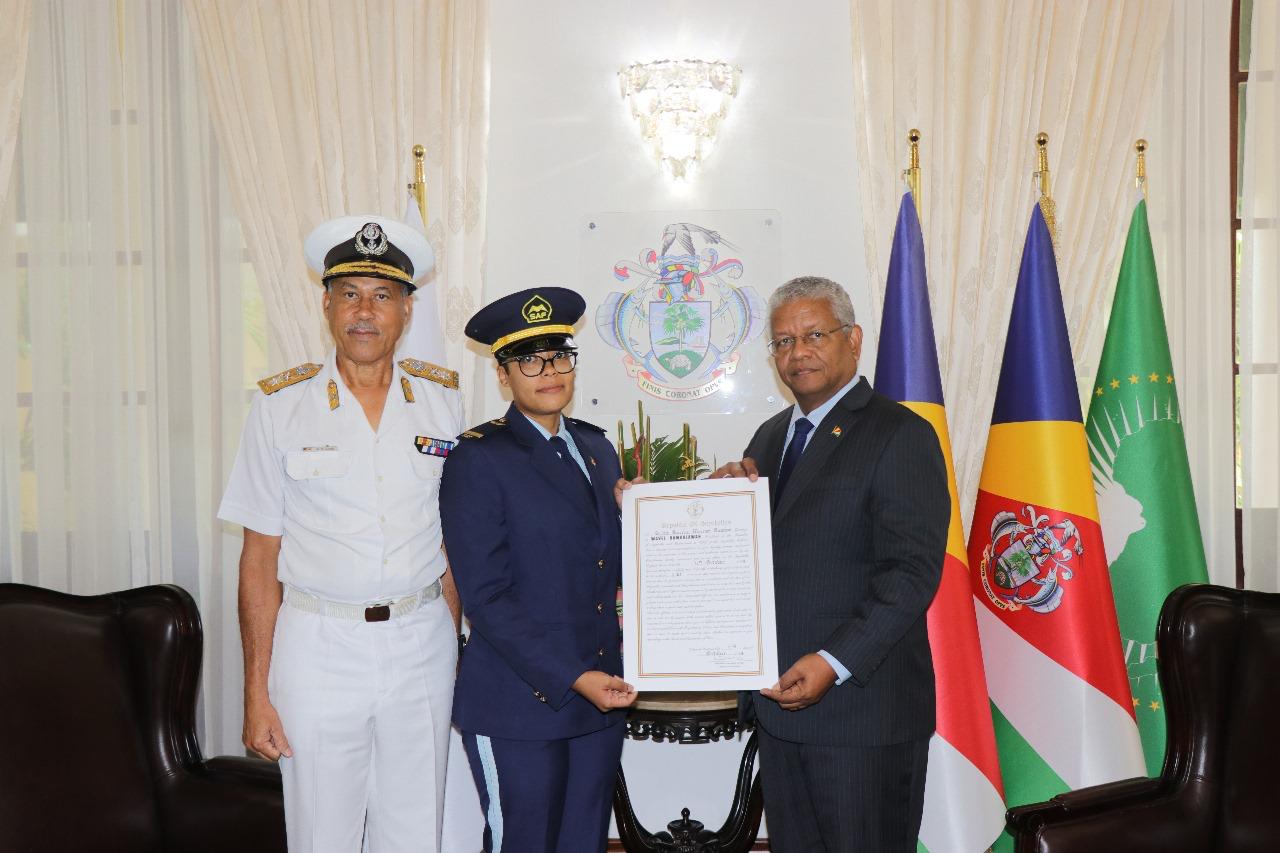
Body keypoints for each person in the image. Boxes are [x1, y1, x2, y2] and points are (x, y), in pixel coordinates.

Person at [217, 215, 464, 853]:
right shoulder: (279, 407)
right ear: (326, 304)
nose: (364, 311)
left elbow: (451, 542)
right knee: (322, 834)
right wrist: (256, 692)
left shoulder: (443, 403)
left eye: (382, 295)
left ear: (407, 310)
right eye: (349, 293)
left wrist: (453, 647)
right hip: (318, 644)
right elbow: (259, 556)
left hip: (421, 641)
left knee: (417, 833)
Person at [711, 275, 949, 852]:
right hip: (779, 712)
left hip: (861, 715)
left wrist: (833, 661)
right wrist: (721, 505)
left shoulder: (900, 433)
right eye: (783, 341)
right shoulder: (769, 438)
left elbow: (910, 573)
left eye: (814, 334)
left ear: (854, 339)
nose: (798, 352)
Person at [440, 286, 638, 853]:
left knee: (582, 843)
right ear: (503, 375)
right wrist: (575, 677)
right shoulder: (479, 457)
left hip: (598, 699)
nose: (548, 371)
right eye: (529, 360)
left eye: (558, 356)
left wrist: (646, 518)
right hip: (519, 704)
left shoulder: (597, 450)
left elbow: (605, 566)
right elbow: (486, 597)